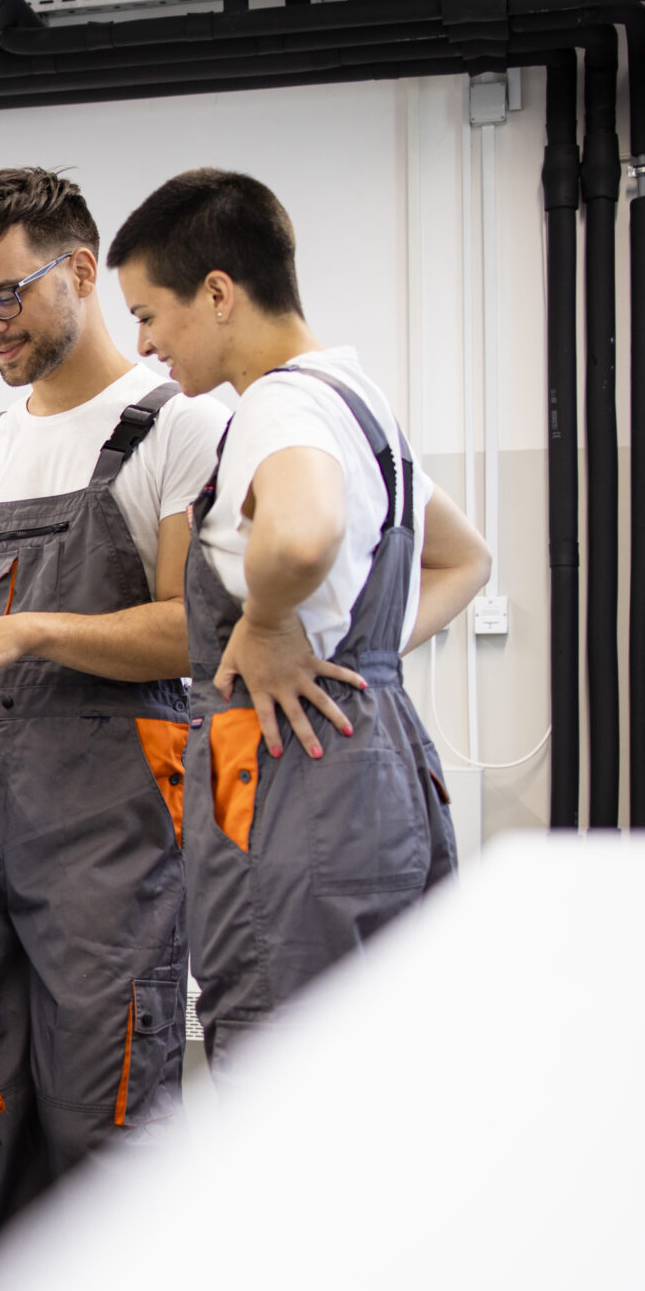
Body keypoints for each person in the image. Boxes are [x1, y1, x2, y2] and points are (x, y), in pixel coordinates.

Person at [0, 168, 228, 1248]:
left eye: (7, 297)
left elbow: (191, 631)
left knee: (109, 1098)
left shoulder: (174, 426)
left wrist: (29, 630)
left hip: (110, 824)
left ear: (81, 271)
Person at [105, 168, 491, 1068]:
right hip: (384, 774)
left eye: (150, 313)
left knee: (288, 1089)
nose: (146, 342)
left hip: (292, 788)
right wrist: (352, 653)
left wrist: (275, 625)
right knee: (386, 1076)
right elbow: (465, 558)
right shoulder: (359, 402)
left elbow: (305, 533)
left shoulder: (279, 407)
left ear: (218, 293)